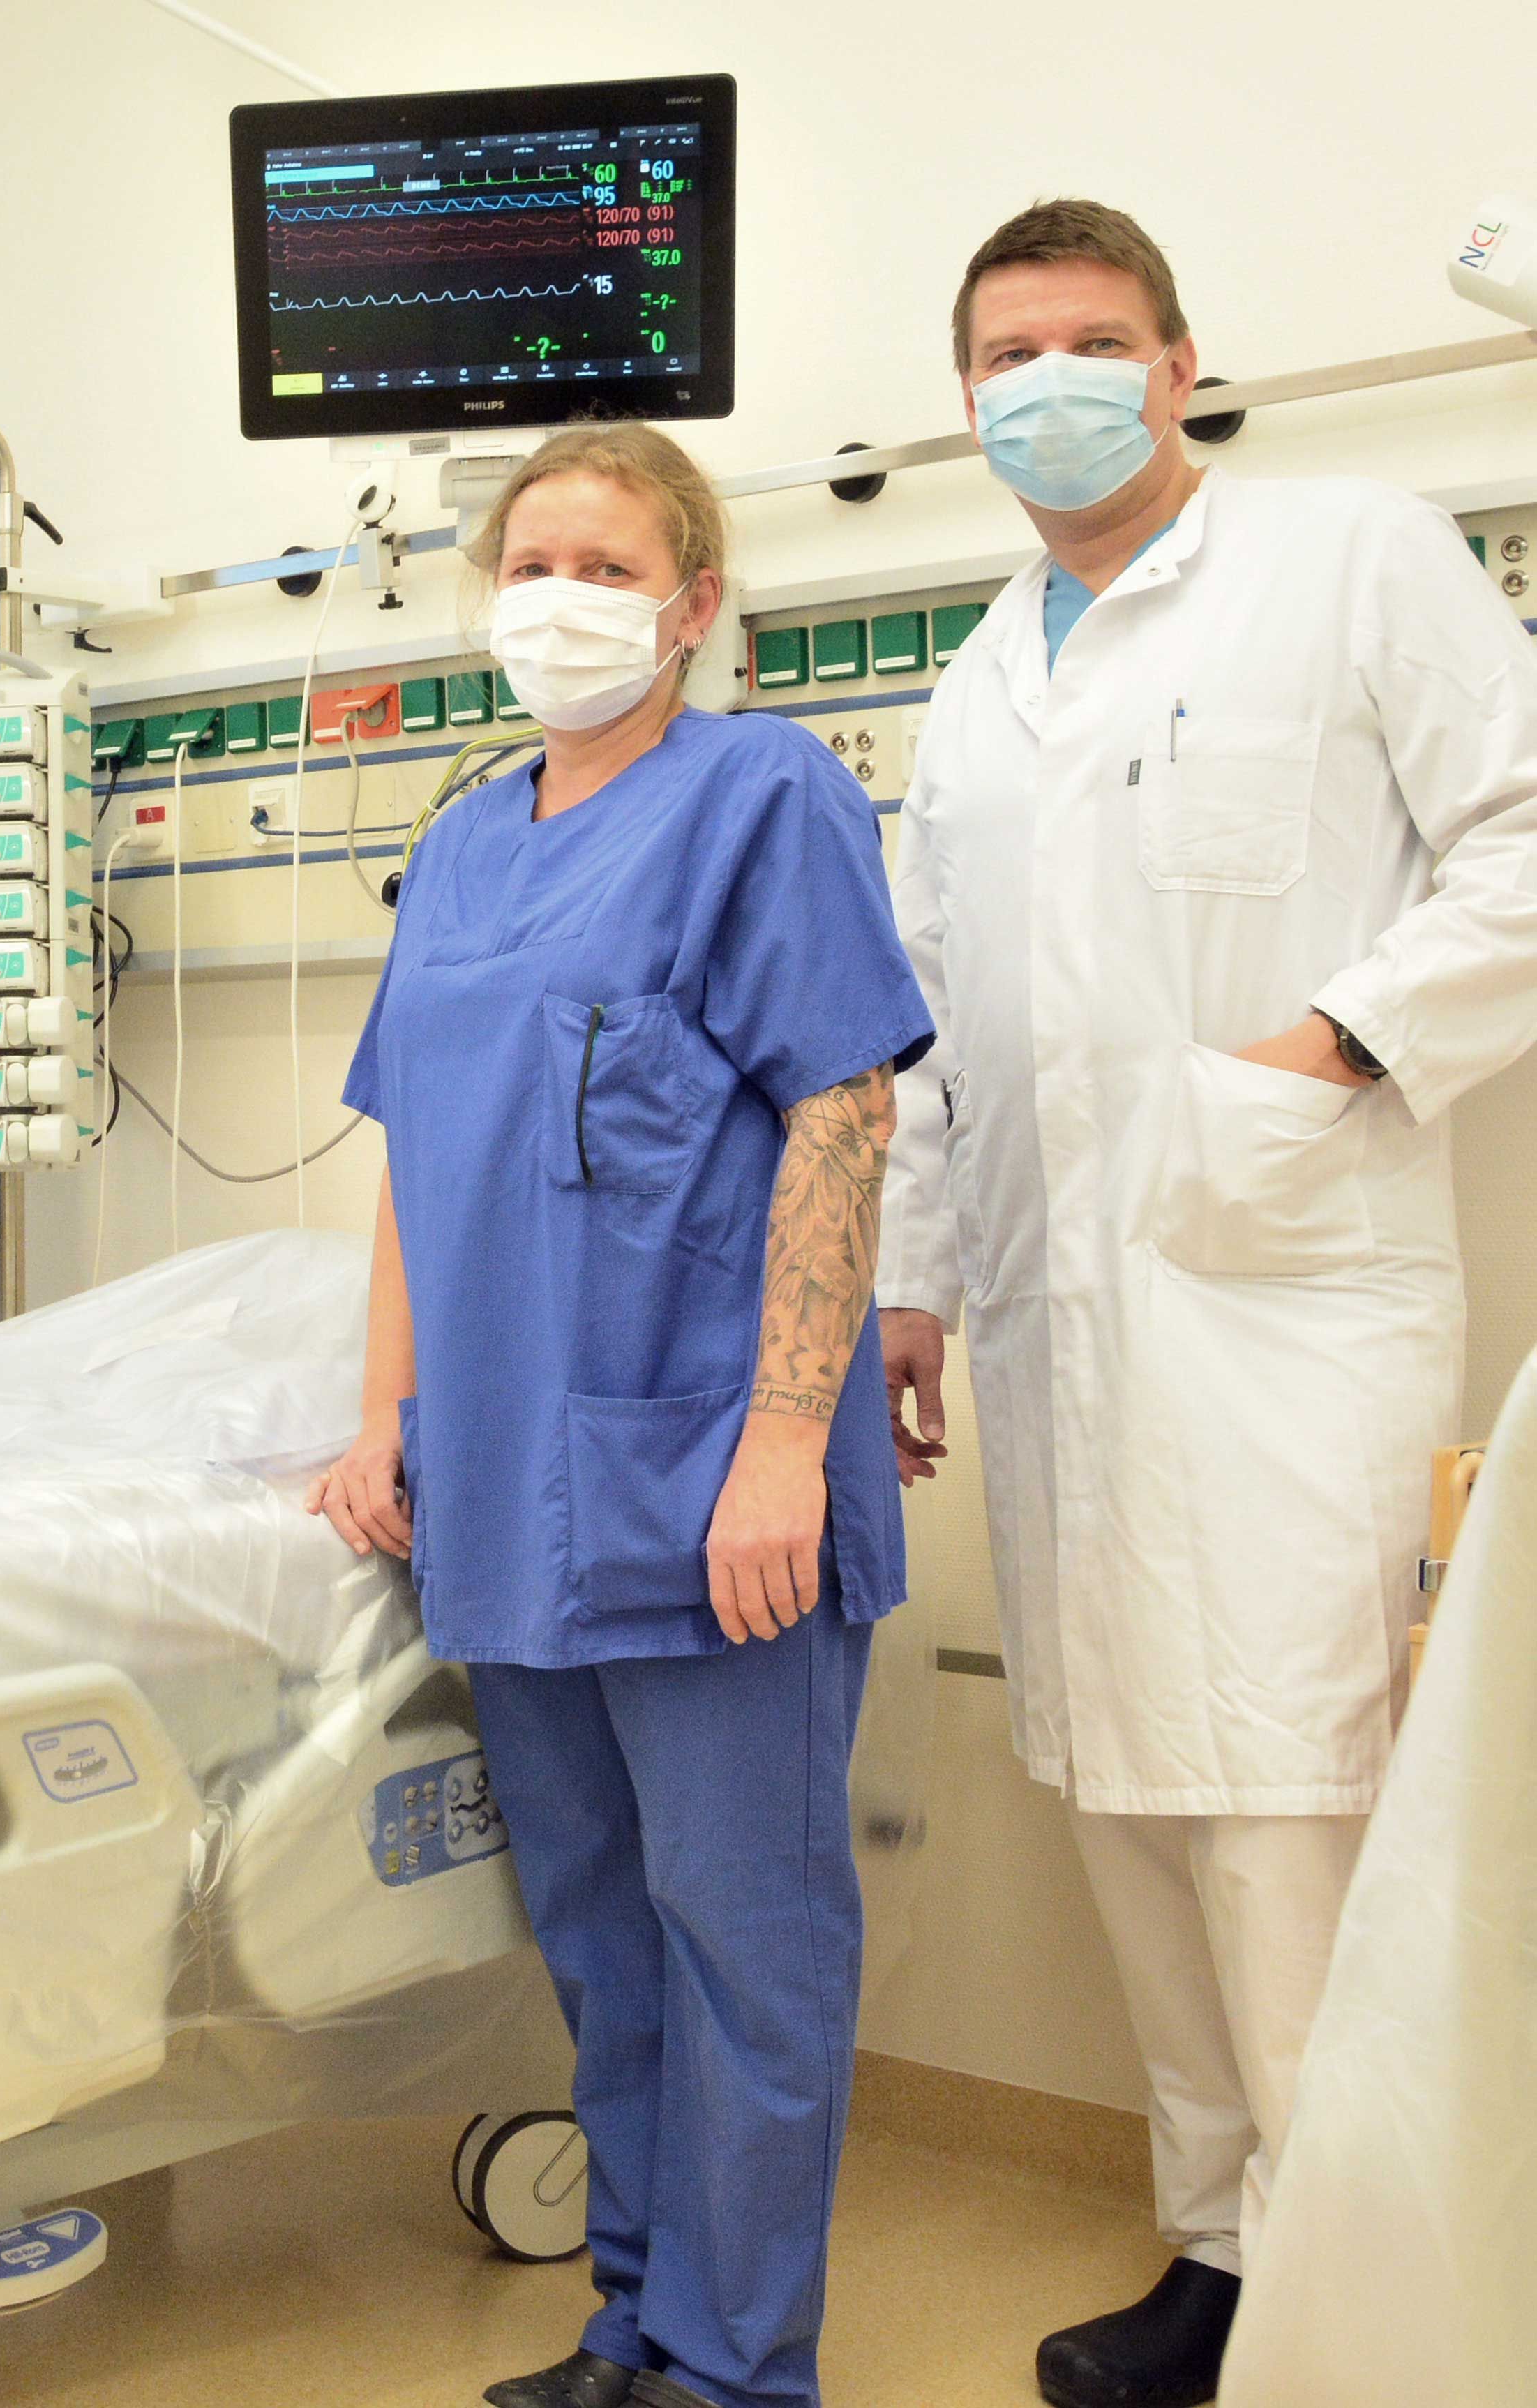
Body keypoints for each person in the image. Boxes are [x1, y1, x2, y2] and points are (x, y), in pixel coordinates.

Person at [876, 198, 1537, 2408]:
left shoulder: (1346, 559)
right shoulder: (967, 694)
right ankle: (1223, 2256)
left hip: (1281, 1298)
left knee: (1290, 1811)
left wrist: (1336, 1038)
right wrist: (904, 1296)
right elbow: (935, 1039)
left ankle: (1372, 2309)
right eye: (1002, 352)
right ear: (963, 395)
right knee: (1125, 1809)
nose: (1042, 382)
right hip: (1066, 1333)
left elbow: (1526, 826)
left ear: (1176, 364)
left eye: (1085, 340)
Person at [310, 423, 935, 2408]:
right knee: (594, 1935)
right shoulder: (472, 837)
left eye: (604, 561)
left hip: (706, 1482)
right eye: (527, 558)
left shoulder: (759, 794)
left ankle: (737, 2370)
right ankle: (634, 2324)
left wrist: (777, 1451)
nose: (555, 595)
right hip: (506, 1483)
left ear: (690, 606)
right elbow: (415, 1153)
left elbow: (842, 1107)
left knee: (744, 1950)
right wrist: (379, 1413)